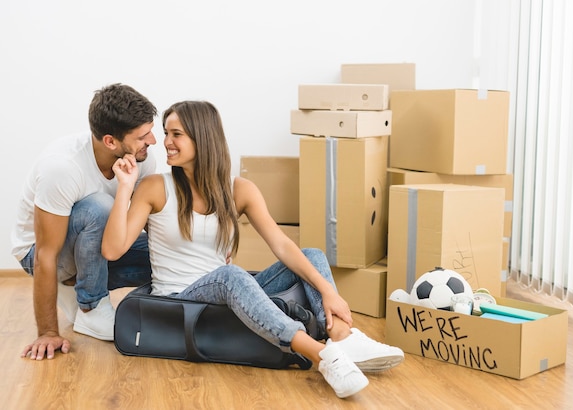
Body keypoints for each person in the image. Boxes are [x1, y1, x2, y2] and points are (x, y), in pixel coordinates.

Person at [101, 100, 404, 398]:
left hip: (229, 293)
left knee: (311, 255)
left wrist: (328, 291)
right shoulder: (155, 186)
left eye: (176, 134)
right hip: (180, 299)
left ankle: (342, 336)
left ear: (202, 136)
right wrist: (125, 186)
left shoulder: (239, 190)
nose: (166, 142)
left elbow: (282, 245)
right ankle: (324, 356)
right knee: (229, 275)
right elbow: (113, 250)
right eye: (166, 133)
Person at [13, 83, 158, 361]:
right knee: (99, 207)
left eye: (150, 131)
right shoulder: (63, 167)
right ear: (110, 141)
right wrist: (47, 332)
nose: (152, 141)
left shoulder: (141, 158)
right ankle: (91, 307)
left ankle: (79, 289)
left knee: (164, 254)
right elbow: (45, 254)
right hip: (41, 255)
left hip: (94, 248)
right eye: (142, 136)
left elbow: (152, 223)